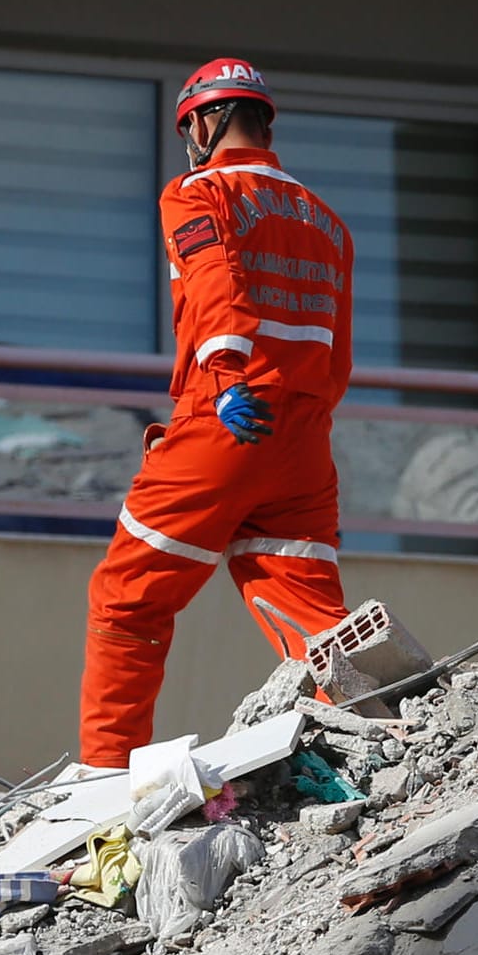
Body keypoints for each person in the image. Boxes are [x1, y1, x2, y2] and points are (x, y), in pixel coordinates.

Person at [78, 58, 355, 768]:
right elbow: (339, 351)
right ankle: (364, 740)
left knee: (125, 597)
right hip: (304, 439)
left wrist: (229, 376)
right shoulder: (328, 221)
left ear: (203, 121)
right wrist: (306, 419)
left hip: (228, 415)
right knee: (313, 615)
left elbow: (212, 281)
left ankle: (103, 778)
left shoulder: (197, 191)